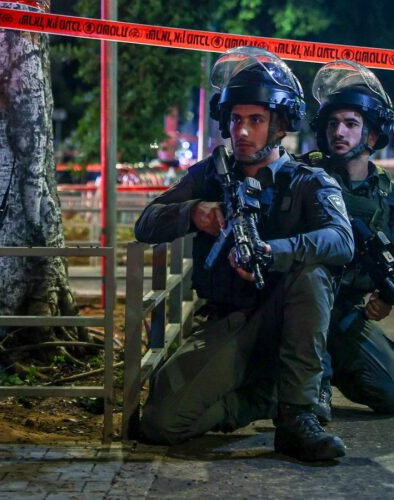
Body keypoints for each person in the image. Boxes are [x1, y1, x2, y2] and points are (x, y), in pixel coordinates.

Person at [134, 47, 354, 461]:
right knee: (160, 425)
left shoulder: (309, 181)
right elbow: (146, 222)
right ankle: (265, 397)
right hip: (228, 319)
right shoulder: (209, 175)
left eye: (256, 120)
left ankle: (296, 417)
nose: (243, 131)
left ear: (279, 125)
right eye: (236, 119)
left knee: (312, 274)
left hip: (286, 318)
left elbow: (341, 240)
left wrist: (275, 252)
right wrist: (194, 212)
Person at [304, 60, 394, 422]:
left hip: (346, 311)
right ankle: (304, 380)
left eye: (351, 124)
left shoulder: (391, 198)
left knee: (390, 393)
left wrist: (384, 299)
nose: (339, 131)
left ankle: (324, 368)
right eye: (333, 123)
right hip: (293, 306)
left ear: (373, 136)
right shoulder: (303, 176)